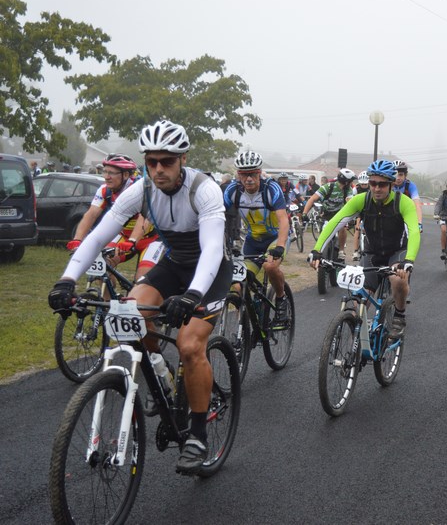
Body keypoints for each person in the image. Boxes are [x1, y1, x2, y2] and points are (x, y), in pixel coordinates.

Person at [48, 119, 232, 475]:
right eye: (152, 162)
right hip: (174, 263)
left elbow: (212, 247)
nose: (159, 169)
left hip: (210, 271)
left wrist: (193, 294)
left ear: (182, 159)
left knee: (190, 345)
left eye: (167, 161)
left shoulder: (203, 189)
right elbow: (99, 237)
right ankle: (160, 374)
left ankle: (197, 434)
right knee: (129, 316)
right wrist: (67, 280)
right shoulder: (141, 191)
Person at [308, 159, 419, 339]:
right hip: (372, 252)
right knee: (361, 301)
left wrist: (409, 260)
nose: (376, 188)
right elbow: (336, 222)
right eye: (373, 183)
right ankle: (356, 346)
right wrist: (317, 250)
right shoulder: (362, 200)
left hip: (397, 252)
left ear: (391, 184)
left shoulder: (403, 202)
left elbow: (414, 231)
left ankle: (399, 315)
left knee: (398, 280)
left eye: (382, 184)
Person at [66, 154, 160, 280]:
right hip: (124, 237)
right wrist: (77, 239)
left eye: (111, 173)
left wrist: (132, 240)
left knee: (142, 280)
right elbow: (91, 214)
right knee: (102, 268)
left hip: (150, 239)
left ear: (126, 175)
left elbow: (145, 218)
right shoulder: (105, 190)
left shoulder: (140, 189)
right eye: (105, 172)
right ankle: (108, 299)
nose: (106, 177)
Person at [223, 150, 290, 320]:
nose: (249, 179)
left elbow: (283, 220)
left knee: (270, 266)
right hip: (253, 241)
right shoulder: (232, 190)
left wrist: (280, 247)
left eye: (253, 174)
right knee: (237, 285)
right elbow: (218, 217)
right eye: (244, 175)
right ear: (238, 175)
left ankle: (281, 299)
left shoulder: (271, 189)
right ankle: (245, 322)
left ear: (260, 173)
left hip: (274, 239)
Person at [302, 168, 356, 260]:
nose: (351, 183)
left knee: (343, 227)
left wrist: (352, 219)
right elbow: (312, 199)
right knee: (324, 232)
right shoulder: (327, 187)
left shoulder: (349, 190)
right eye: (351, 181)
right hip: (326, 214)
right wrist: (304, 213)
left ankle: (341, 251)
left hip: (339, 213)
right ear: (346, 182)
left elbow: (350, 204)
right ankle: (319, 251)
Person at [392, 160, 423, 233]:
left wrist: (419, 223)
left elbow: (417, 205)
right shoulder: (388, 185)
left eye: (400, 174)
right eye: (395, 175)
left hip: (407, 214)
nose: (397, 178)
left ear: (405, 175)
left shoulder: (410, 185)